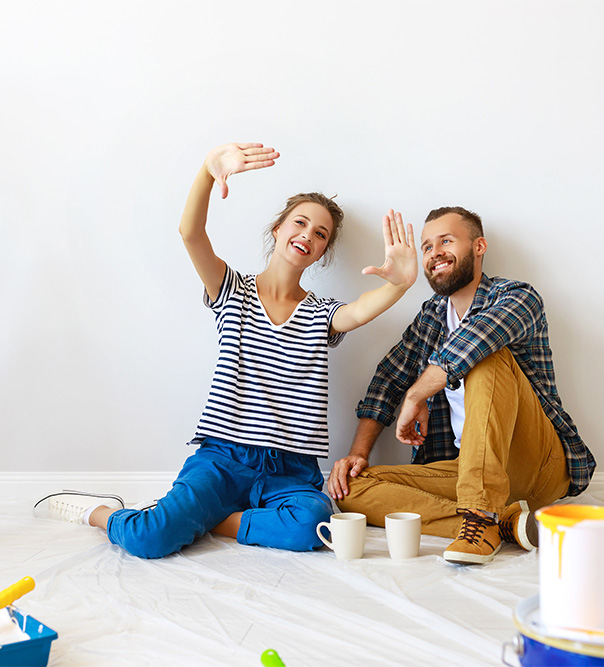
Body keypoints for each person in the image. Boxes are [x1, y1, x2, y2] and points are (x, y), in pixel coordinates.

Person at [34, 142, 418, 558]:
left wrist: (400, 283)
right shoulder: (233, 290)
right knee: (149, 539)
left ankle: (209, 519)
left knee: (314, 525)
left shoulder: (322, 314)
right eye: (300, 223)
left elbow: (360, 312)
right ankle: (103, 514)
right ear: (278, 229)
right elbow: (191, 234)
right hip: (222, 459)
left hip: (291, 470)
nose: (307, 235)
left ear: (323, 251)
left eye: (320, 234)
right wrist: (206, 171)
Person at [327, 206, 595, 565]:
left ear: (478, 246)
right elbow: (387, 379)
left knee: (485, 358)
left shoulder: (517, 296)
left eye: (446, 241)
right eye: (426, 247)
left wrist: (417, 392)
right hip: (468, 469)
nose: (434, 252)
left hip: (536, 464)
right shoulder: (431, 318)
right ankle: (502, 522)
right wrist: (358, 453)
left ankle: (482, 516)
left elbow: (477, 339)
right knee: (349, 490)